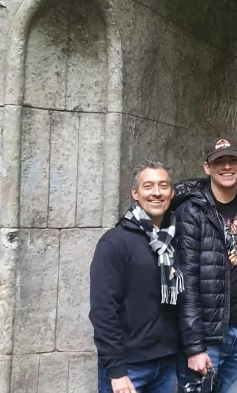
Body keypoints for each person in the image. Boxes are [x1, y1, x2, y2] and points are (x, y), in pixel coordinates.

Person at [172, 136, 237, 393]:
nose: (226, 167)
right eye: (219, 162)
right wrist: (194, 346)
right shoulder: (192, 211)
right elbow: (187, 282)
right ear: (207, 167)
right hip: (207, 336)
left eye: (232, 160)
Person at [90, 161, 183, 393]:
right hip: (129, 368)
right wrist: (117, 372)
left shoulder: (174, 240)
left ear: (171, 193)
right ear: (135, 193)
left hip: (167, 363)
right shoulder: (115, 242)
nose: (157, 193)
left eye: (163, 186)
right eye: (148, 186)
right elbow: (103, 310)